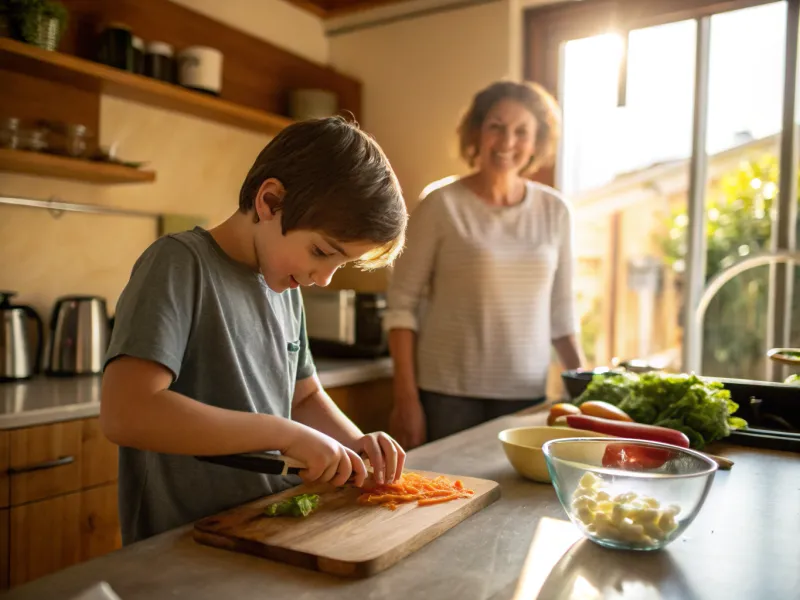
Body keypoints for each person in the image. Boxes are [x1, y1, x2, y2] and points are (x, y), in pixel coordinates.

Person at [100, 117, 409, 545]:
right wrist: (282, 433)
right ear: (270, 201)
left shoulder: (285, 285)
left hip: (265, 528)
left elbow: (304, 397)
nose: (323, 278)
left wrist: (356, 447)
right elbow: (126, 413)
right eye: (321, 252)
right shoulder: (179, 264)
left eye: (339, 264)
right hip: (185, 543)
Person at [385, 80, 585, 449]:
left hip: (526, 395)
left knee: (514, 503)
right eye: (496, 126)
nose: (507, 141)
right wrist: (406, 401)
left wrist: (590, 393)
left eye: (521, 131)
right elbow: (401, 308)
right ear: (477, 131)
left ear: (536, 141)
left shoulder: (555, 211)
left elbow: (562, 315)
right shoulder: (440, 204)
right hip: (446, 395)